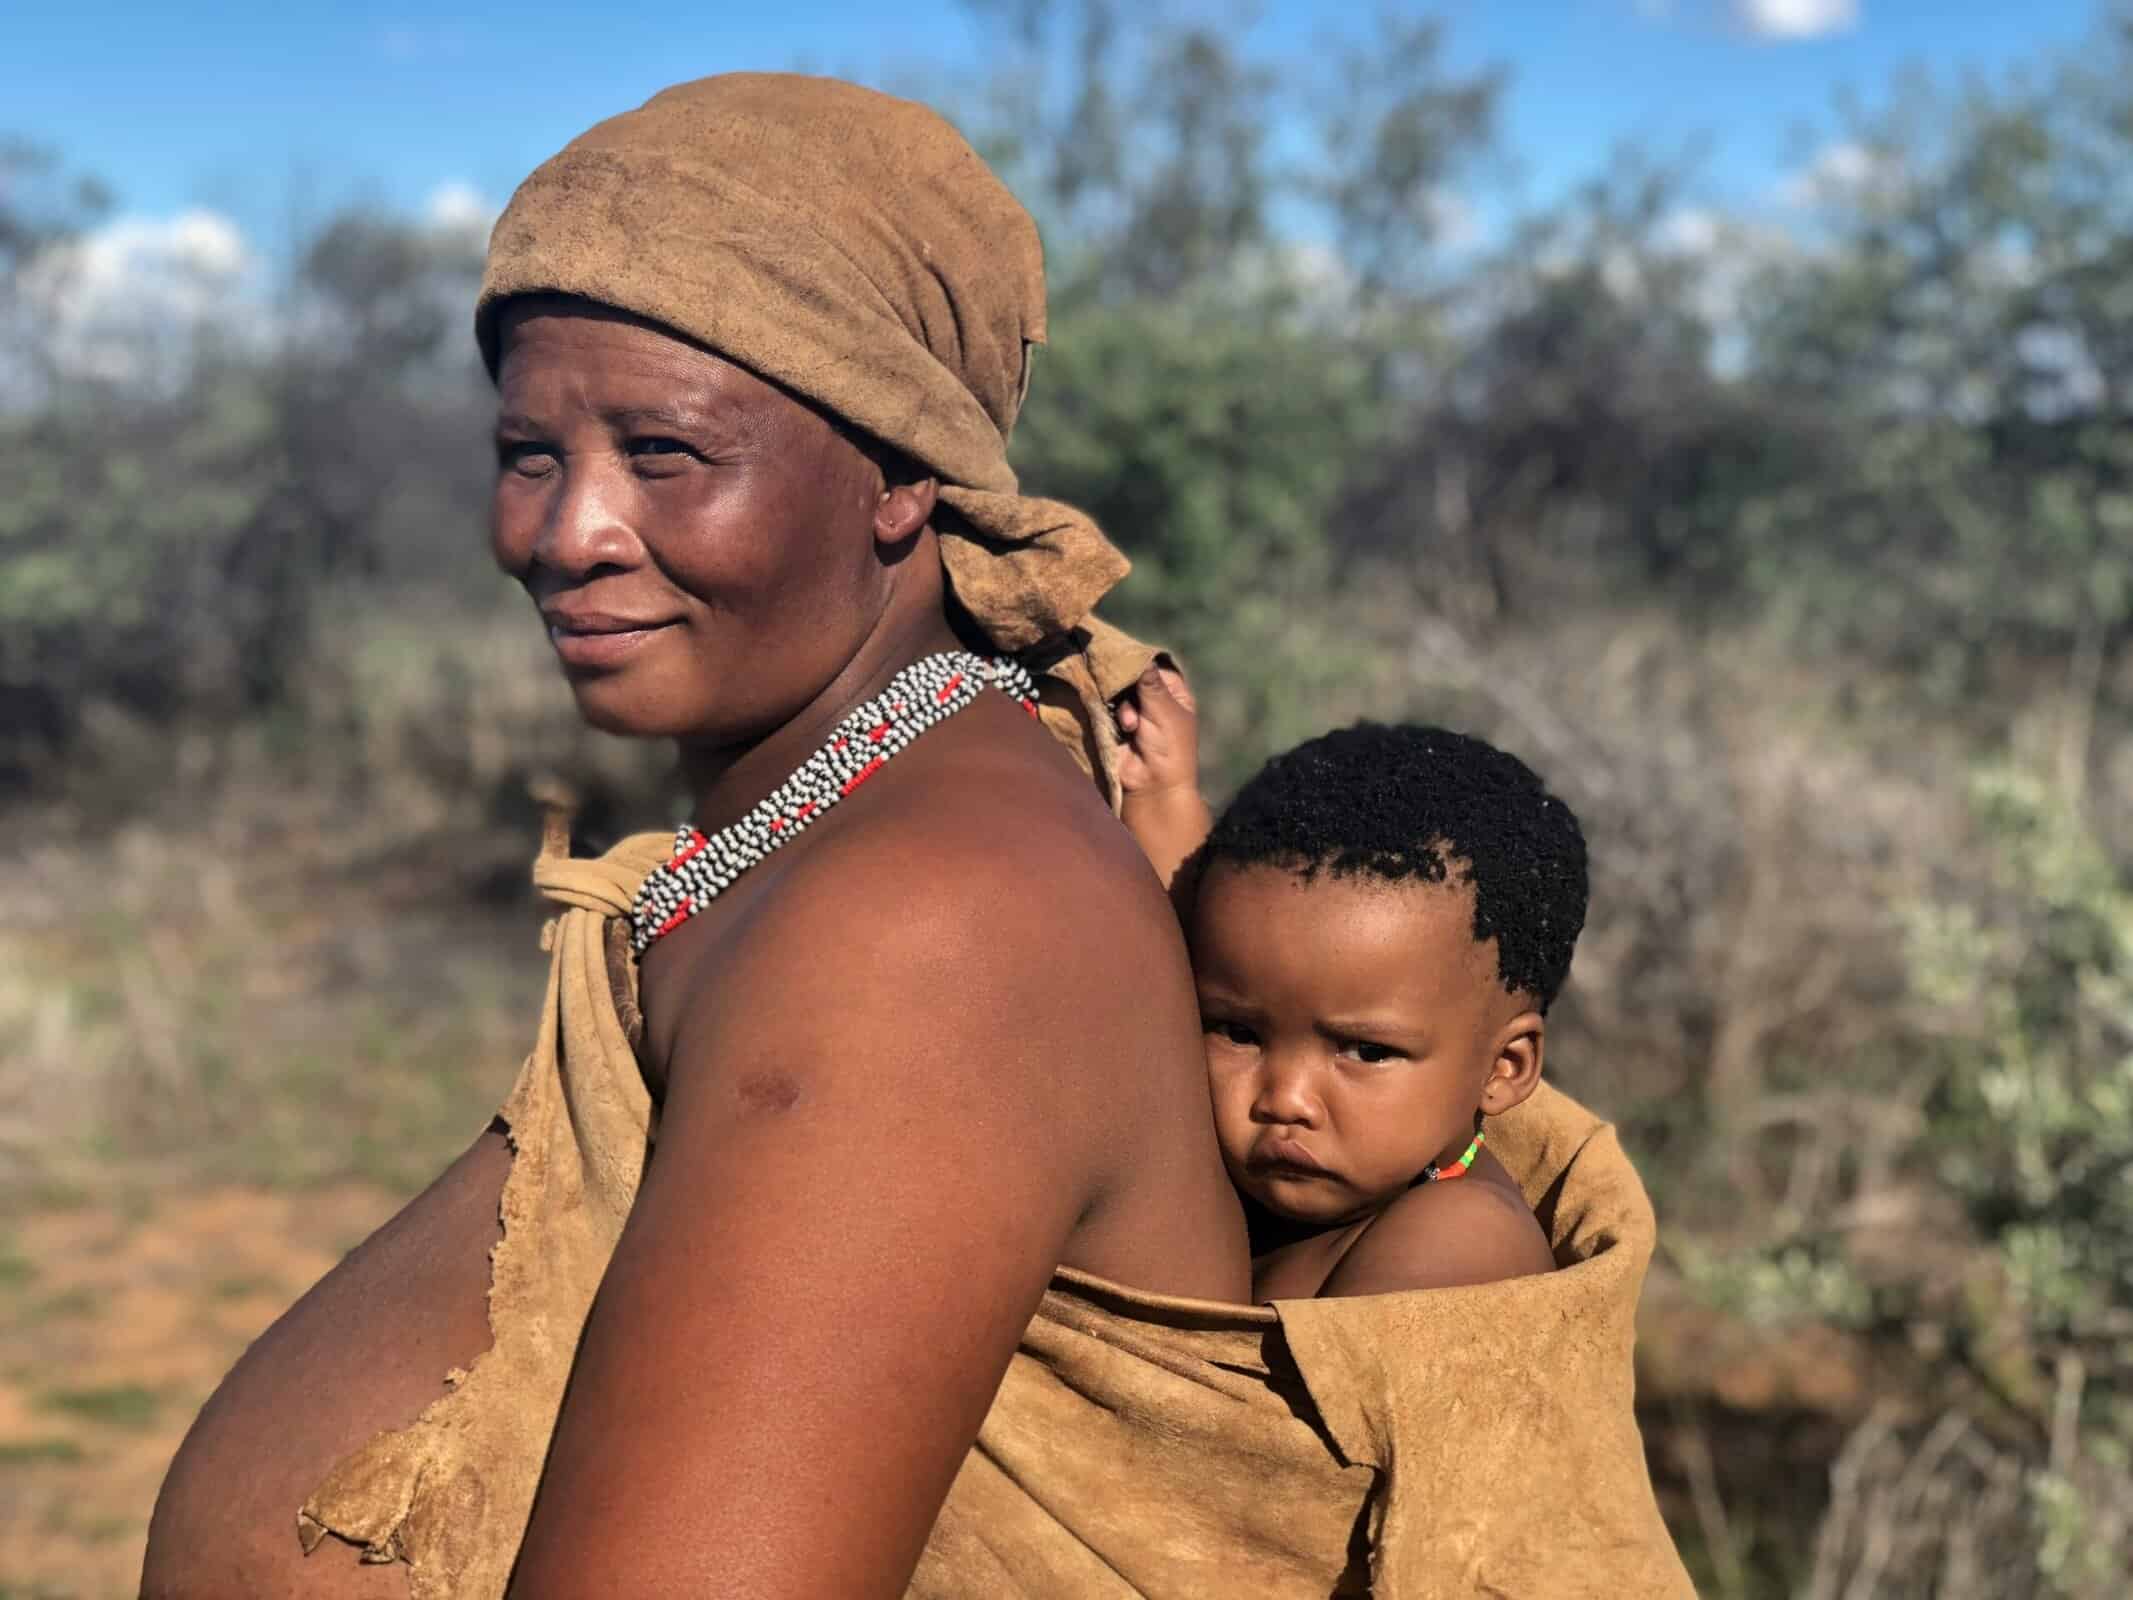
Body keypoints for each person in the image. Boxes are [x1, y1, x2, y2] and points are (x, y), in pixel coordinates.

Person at [146, 73, 1694, 1600]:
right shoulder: (826, 835)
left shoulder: (924, 926)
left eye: (665, 453)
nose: (566, 533)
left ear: (897, 477)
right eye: (530, 454)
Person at [1116, 670, 1578, 1299]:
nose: (1286, 1100)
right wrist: (1160, 795)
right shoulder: (1314, 1187)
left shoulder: (1461, 1238)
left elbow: (1207, 1363)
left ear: (1504, 1067)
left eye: (1365, 1050)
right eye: (1239, 1033)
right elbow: (1192, 950)